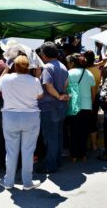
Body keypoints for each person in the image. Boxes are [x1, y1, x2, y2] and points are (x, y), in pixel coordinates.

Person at [0, 55, 43, 190]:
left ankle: (8, 182)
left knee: (11, 151)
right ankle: (27, 182)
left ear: (14, 66)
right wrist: (38, 77)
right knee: (28, 151)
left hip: (10, 117)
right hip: (31, 117)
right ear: (28, 67)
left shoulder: (6, 79)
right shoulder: (34, 81)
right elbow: (39, 95)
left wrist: (5, 70)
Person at [37, 41, 69, 173]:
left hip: (49, 107)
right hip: (61, 107)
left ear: (44, 54)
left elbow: (48, 86)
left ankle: (50, 165)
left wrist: (58, 96)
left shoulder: (47, 67)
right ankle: (57, 161)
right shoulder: (63, 66)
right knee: (58, 135)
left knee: (50, 138)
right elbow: (66, 84)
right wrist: (61, 96)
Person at [66, 53, 95, 161]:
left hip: (74, 106)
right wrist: (91, 104)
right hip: (86, 106)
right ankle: (83, 155)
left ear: (72, 63)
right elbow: (93, 92)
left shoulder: (68, 73)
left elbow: (65, 89)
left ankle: (74, 155)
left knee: (74, 131)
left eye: (68, 63)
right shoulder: (88, 73)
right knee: (84, 131)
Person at [83, 50, 101, 151]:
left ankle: (84, 145)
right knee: (93, 122)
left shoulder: (85, 71)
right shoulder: (97, 70)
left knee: (84, 122)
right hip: (96, 97)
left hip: (86, 97)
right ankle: (94, 145)